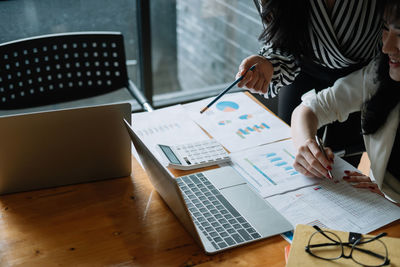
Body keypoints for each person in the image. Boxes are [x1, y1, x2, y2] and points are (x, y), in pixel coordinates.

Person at [236, 0, 385, 166]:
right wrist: (269, 64)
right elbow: (281, 41)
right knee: (293, 160)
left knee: (342, 169)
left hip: (361, 80)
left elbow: (391, 34)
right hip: (302, 71)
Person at [290, 0, 400, 204]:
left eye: (399, 34)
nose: (386, 47)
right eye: (385, 29)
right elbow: (308, 109)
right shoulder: (377, 74)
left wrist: (392, 199)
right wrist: (307, 147)